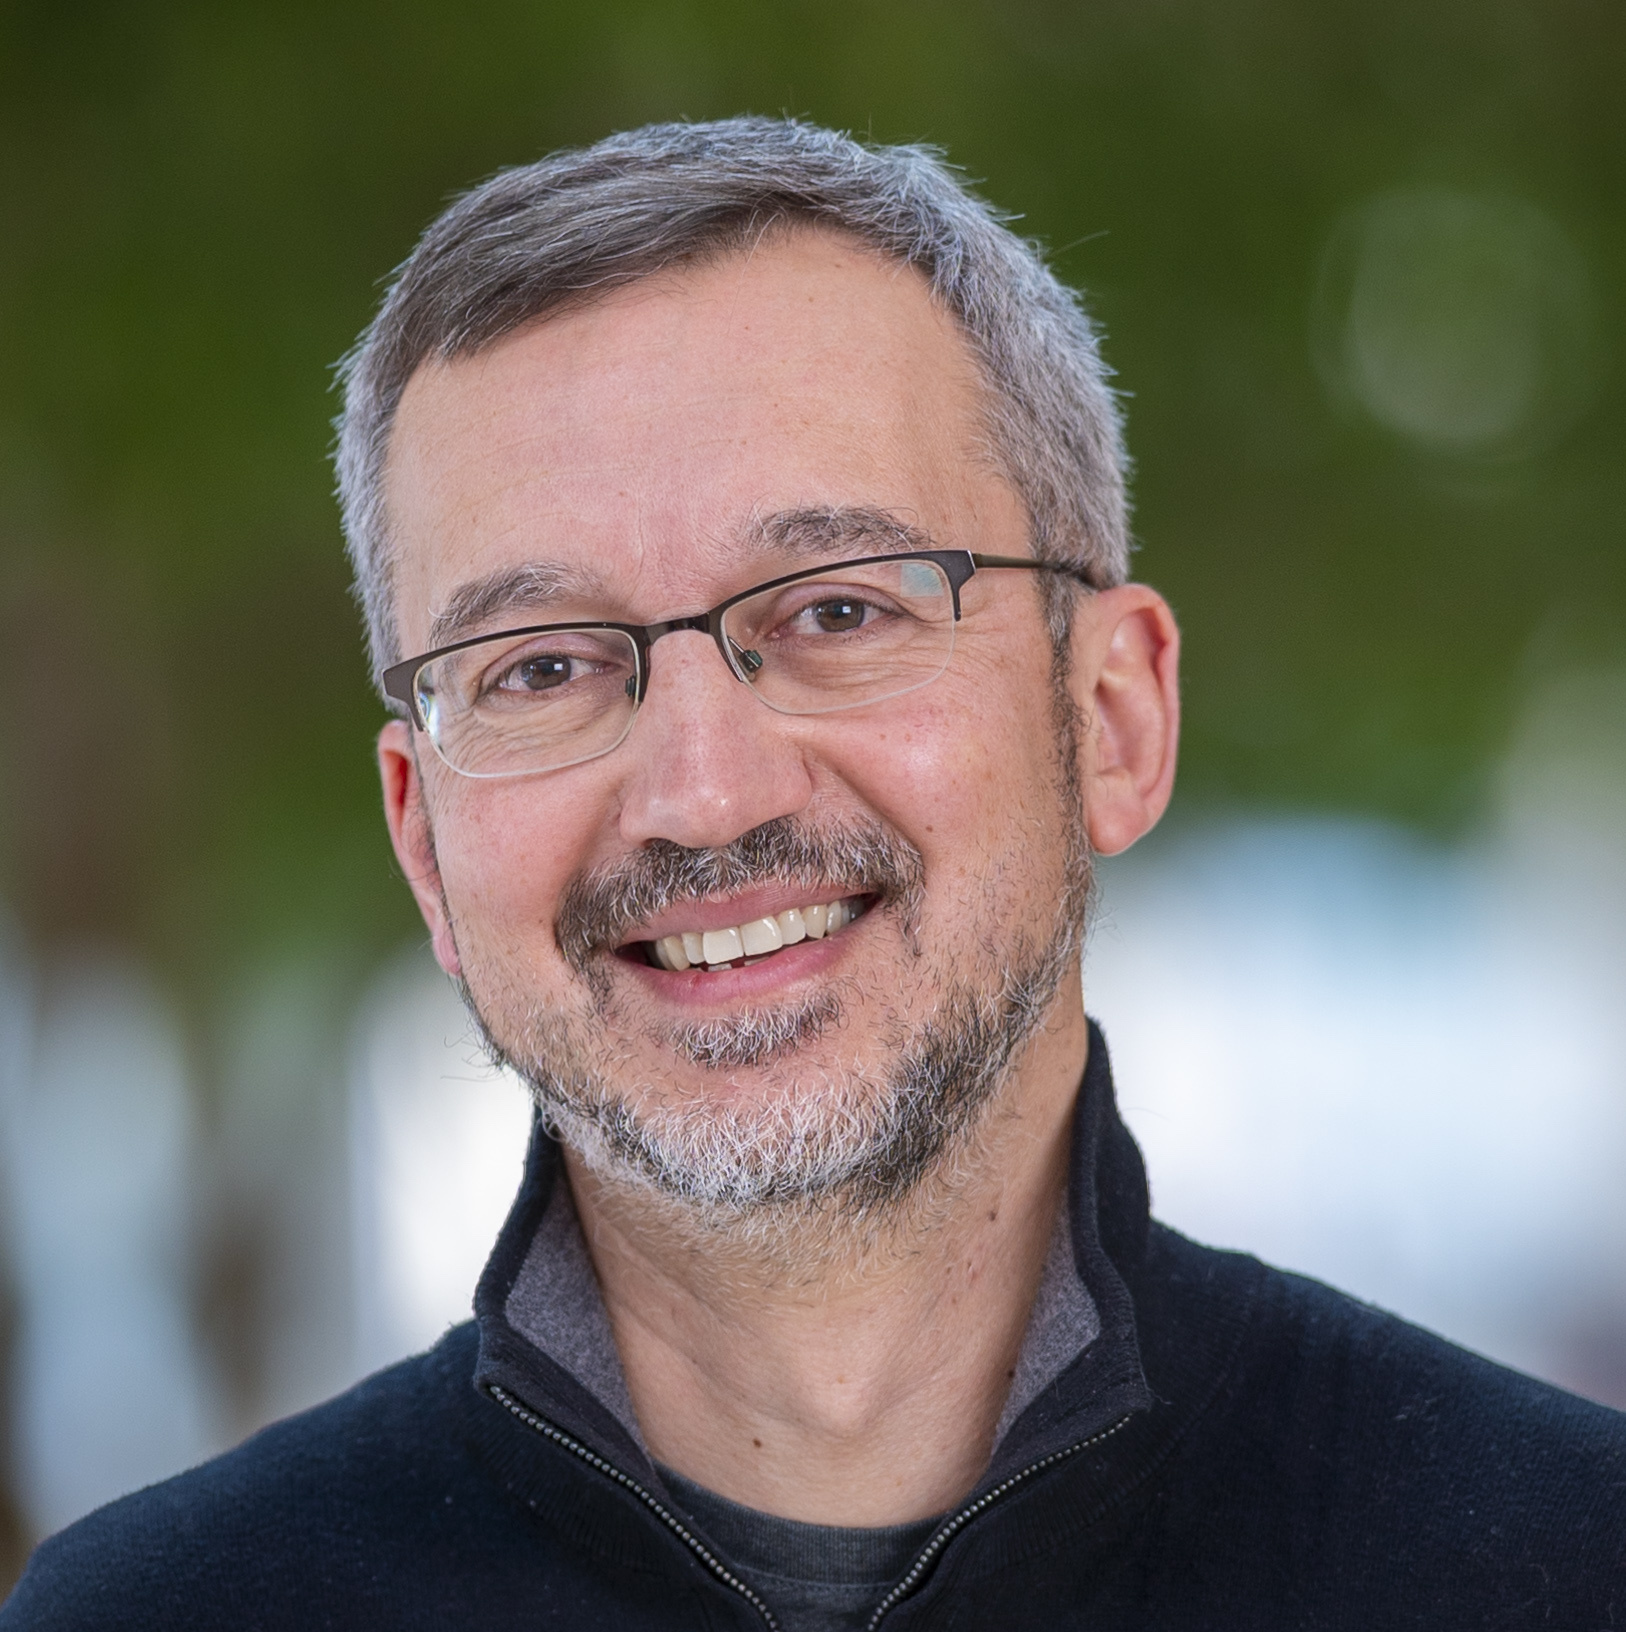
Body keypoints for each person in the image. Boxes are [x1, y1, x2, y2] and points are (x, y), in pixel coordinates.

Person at [4, 117, 1622, 1632]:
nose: (702, 796)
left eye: (838, 610)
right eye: (545, 666)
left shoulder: (1552, 1567)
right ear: (423, 838)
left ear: (1112, 717)